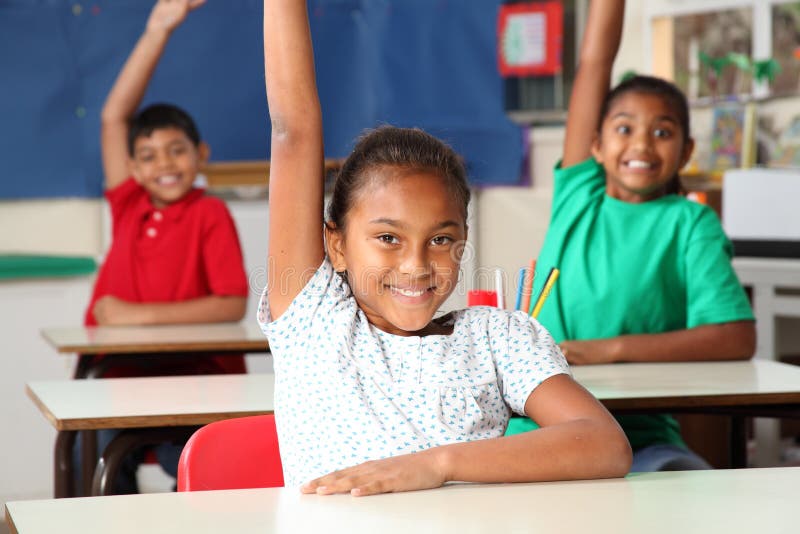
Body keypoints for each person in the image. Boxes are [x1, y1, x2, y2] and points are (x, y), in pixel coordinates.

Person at [257, 0, 631, 496]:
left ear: (463, 244)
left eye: (440, 239)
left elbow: (605, 444)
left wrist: (438, 465)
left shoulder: (498, 339)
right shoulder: (315, 320)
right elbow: (293, 130)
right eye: (388, 238)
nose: (415, 265)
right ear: (337, 245)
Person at [507, 0, 756, 472]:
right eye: (624, 128)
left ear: (686, 151)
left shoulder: (690, 223)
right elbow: (594, 62)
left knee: (686, 483)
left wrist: (609, 350)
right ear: (596, 144)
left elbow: (735, 336)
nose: (641, 144)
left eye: (662, 132)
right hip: (537, 429)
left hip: (641, 434)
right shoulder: (579, 195)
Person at [78, 0, 249, 493]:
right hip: (121, 377)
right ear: (133, 169)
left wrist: (136, 316)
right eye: (148, 155)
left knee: (196, 469)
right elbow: (114, 118)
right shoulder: (129, 203)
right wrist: (158, 28)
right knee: (97, 459)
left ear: (201, 155)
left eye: (177, 150)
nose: (165, 164)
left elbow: (231, 304)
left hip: (196, 379)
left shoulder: (209, 212)